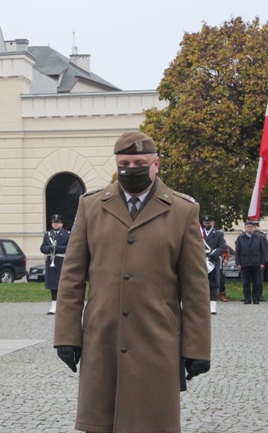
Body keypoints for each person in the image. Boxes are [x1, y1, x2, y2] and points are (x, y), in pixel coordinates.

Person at [53, 131, 211, 433]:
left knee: (152, 425)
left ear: (156, 165)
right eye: (124, 162)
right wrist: (67, 336)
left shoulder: (182, 210)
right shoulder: (92, 206)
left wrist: (197, 348)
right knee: (99, 424)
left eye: (140, 162)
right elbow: (72, 278)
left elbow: (195, 288)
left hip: (156, 338)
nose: (131, 168)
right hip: (102, 337)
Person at [39, 213, 71, 315]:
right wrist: (49, 248)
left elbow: (70, 247)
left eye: (58, 223)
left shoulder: (67, 234)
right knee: (53, 285)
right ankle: (53, 306)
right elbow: (42, 247)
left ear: (61, 224)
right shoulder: (48, 234)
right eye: (54, 222)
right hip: (51, 262)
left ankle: (63, 306)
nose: (56, 224)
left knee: (62, 285)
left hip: (61, 261)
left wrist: (57, 249)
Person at [235, 221, 266, 304]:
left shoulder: (259, 237)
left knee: (256, 282)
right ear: (245, 228)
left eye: (251, 227)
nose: (249, 228)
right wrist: (238, 263)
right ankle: (247, 298)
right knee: (245, 282)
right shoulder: (240, 238)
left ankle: (256, 298)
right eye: (248, 226)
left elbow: (263, 250)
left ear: (254, 228)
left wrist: (262, 262)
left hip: (256, 262)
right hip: (244, 262)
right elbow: (237, 251)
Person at [202, 215, 226, 314]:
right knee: (200, 282)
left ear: (213, 223)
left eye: (209, 223)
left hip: (213, 259)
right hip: (201, 259)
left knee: (214, 283)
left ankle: (212, 306)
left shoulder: (218, 234)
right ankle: (202, 305)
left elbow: (222, 246)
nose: (207, 224)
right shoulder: (199, 232)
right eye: (205, 223)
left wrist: (214, 254)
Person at [252, 220, 268, 301]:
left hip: (259, 260)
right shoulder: (245, 235)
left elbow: (267, 248)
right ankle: (247, 295)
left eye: (256, 225)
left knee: (259, 278)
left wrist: (266, 260)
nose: (255, 227)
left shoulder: (262, 235)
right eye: (254, 225)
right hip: (248, 260)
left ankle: (259, 294)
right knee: (247, 279)